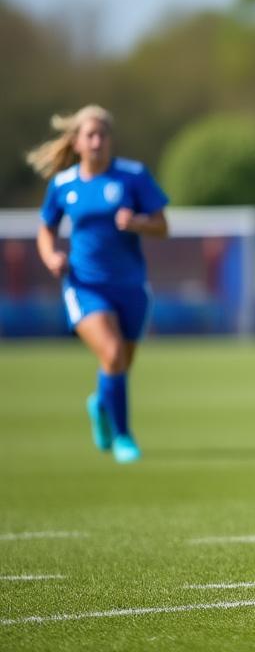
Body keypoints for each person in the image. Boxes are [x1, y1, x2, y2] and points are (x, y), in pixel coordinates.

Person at [30, 105, 170, 464]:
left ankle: (101, 403)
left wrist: (138, 222)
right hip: (85, 285)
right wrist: (51, 257)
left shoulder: (133, 176)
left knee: (121, 362)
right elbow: (46, 229)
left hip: (131, 287)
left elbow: (163, 225)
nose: (97, 141)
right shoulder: (63, 185)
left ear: (111, 140)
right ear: (76, 142)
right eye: (89, 135)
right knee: (111, 354)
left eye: (102, 135)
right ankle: (124, 437)